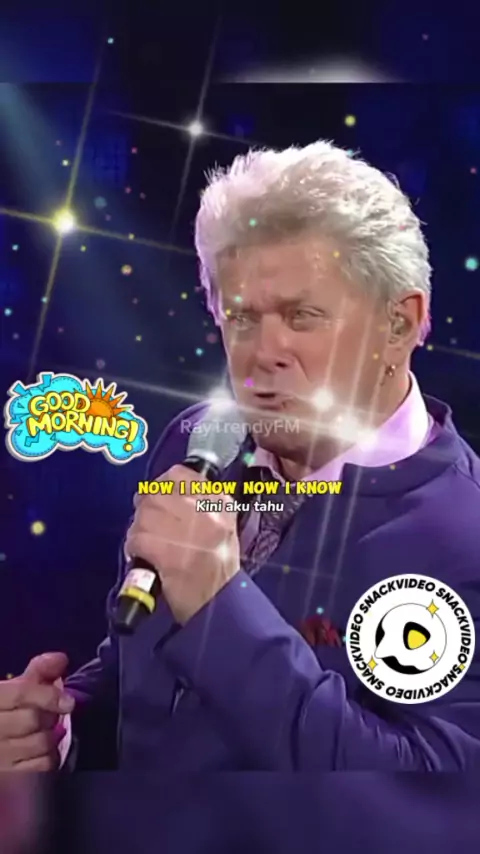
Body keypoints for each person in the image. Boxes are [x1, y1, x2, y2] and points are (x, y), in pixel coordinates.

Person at [1, 139, 479, 846]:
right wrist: (59, 728)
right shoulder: (198, 443)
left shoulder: (460, 532)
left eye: (302, 316)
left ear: (400, 324)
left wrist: (219, 610)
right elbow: (141, 674)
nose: (262, 353)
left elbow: (427, 810)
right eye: (242, 317)